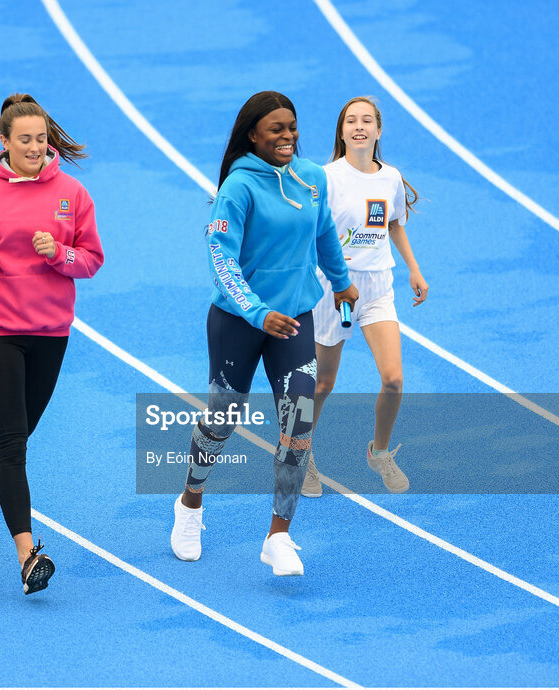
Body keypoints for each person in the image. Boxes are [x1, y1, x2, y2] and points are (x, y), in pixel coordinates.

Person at [169, 91, 360, 577]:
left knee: (298, 428)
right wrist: (256, 311)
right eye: (276, 129)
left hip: (294, 321)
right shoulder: (238, 188)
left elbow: (322, 237)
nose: (288, 137)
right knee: (223, 419)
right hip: (238, 321)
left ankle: (279, 535)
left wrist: (341, 284)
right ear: (252, 134)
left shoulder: (312, 178)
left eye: (292, 127)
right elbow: (221, 260)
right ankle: (190, 503)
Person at [0, 93, 104, 595]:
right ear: (4, 141)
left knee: (23, 430)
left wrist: (61, 253)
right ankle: (28, 554)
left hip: (51, 332)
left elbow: (92, 259)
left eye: (40, 139)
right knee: (12, 446)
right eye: (24, 139)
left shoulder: (72, 193)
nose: (35, 147)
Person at [302, 96, 428, 499]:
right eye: (351, 121)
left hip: (377, 288)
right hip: (335, 289)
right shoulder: (325, 177)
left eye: (367, 120)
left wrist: (414, 268)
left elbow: (393, 223)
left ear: (378, 130)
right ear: (341, 131)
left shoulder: (389, 177)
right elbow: (307, 230)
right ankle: (300, 453)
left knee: (393, 379)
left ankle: (379, 452)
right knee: (322, 383)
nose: (359, 126)